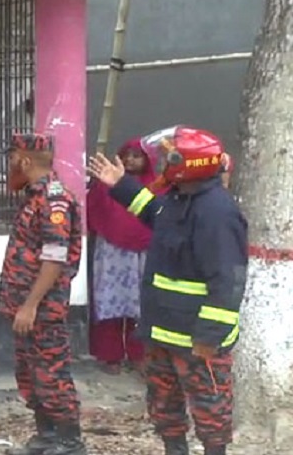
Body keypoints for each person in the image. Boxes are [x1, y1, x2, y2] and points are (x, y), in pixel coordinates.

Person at [88, 126, 246, 455]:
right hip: (162, 333)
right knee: (165, 410)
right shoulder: (178, 199)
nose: (160, 164)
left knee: (210, 413)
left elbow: (227, 281)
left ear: (187, 164)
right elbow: (153, 212)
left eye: (168, 158)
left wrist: (209, 337)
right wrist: (121, 185)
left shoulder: (217, 213)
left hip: (197, 341)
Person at [0, 133, 86, 455]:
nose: (9, 166)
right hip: (25, 307)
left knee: (51, 374)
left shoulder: (54, 200)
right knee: (30, 374)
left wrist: (30, 305)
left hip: (43, 309)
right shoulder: (33, 197)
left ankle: (70, 442)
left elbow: (54, 258)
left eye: (11, 159)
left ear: (24, 161)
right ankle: (46, 438)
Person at [86, 138, 162, 373]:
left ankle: (139, 354)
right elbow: (92, 210)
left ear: (148, 160)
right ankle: (110, 355)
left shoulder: (158, 186)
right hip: (112, 251)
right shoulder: (106, 184)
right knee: (110, 303)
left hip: (145, 251)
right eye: (126, 155)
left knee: (142, 305)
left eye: (137, 156)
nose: (130, 160)